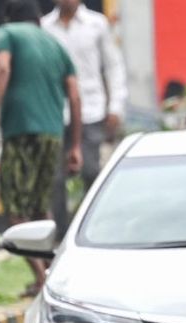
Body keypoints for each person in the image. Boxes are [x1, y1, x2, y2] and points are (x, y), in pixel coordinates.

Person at [0, 0, 82, 297]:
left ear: (9, 16)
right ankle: (52, 274)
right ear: (39, 19)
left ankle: (42, 278)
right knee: (41, 207)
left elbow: (2, 66)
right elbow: (75, 96)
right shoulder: (55, 45)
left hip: (20, 131)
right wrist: (75, 144)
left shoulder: (6, 33)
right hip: (52, 135)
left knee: (15, 207)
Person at [42, 0, 127, 238]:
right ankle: (60, 238)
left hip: (91, 110)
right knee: (55, 180)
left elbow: (113, 66)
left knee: (91, 171)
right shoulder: (44, 28)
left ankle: (96, 233)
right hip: (56, 113)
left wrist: (115, 106)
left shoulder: (97, 24)